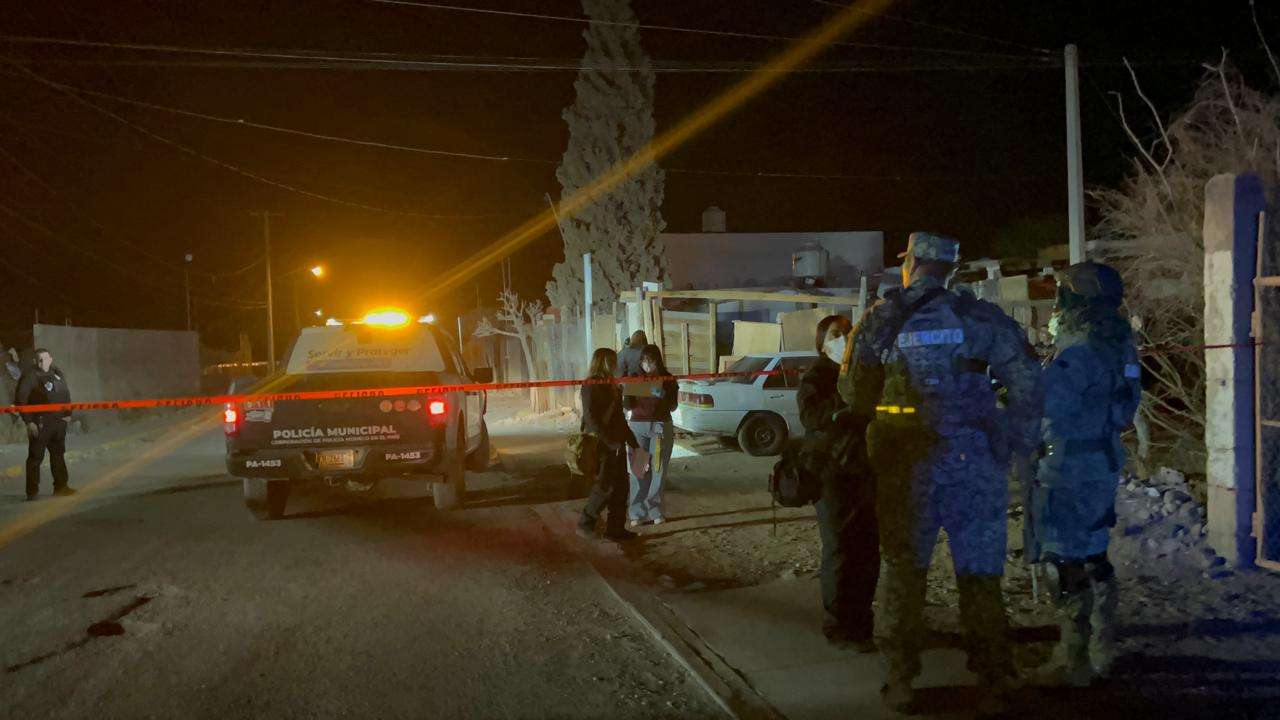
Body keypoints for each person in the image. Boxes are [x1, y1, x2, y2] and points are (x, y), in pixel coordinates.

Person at [837, 232, 1042, 713]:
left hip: (907, 468)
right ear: (949, 269)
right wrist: (1010, 442)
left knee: (904, 573)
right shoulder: (979, 316)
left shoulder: (881, 319)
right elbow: (1028, 382)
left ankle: (900, 680)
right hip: (974, 465)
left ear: (910, 264)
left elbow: (852, 393)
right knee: (980, 574)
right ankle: (995, 679)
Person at [1027, 262, 1140, 687]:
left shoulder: (1079, 352)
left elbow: (1047, 409)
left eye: (1065, 295)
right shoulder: (1122, 345)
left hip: (1068, 466)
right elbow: (1126, 409)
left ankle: (1073, 662)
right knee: (1094, 555)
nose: (1060, 302)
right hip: (1102, 461)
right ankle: (1103, 650)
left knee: (1063, 560)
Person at [798, 314, 879, 651]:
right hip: (832, 473)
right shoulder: (817, 376)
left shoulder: (861, 373)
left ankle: (861, 623)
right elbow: (811, 417)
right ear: (822, 342)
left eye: (847, 332)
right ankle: (839, 626)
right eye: (835, 334)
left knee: (867, 550)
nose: (843, 338)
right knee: (840, 549)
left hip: (864, 470)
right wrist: (842, 401)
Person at [577, 347, 640, 542]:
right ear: (603, 362)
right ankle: (585, 523)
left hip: (617, 444)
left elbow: (620, 418)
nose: (616, 365)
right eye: (612, 361)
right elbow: (591, 419)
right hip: (601, 445)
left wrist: (633, 442)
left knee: (621, 487)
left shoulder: (613, 385)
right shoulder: (591, 385)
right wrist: (609, 441)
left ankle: (616, 529)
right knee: (605, 486)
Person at [623, 344, 678, 526]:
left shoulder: (667, 379)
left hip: (660, 427)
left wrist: (661, 394)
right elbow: (627, 404)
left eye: (650, 361)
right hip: (639, 427)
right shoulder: (634, 378)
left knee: (658, 469)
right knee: (639, 470)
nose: (647, 365)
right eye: (644, 361)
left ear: (658, 361)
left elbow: (673, 405)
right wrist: (631, 390)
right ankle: (636, 513)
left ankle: (655, 511)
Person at [15, 348, 76, 500]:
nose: (42, 362)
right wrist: (29, 422)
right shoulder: (30, 377)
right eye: (39, 360)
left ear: (51, 359)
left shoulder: (57, 373)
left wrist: (68, 414)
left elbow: (66, 394)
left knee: (58, 456)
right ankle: (32, 492)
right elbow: (20, 399)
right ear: (35, 361)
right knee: (35, 458)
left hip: (58, 423)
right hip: (40, 423)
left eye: (45, 359)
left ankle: (61, 487)